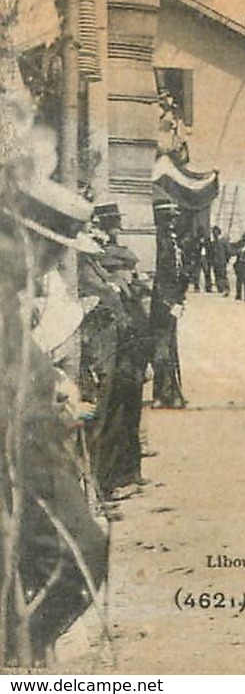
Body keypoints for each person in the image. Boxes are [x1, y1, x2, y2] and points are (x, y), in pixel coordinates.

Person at [0, 172, 109, 665]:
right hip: (19, 448)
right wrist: (49, 398)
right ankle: (18, 650)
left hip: (29, 436)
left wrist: (53, 384)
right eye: (46, 250)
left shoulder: (11, 287)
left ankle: (25, 649)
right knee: (80, 550)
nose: (47, 265)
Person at [79, 203, 149, 501]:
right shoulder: (95, 261)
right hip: (110, 348)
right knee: (111, 417)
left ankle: (126, 475)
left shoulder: (107, 258)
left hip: (127, 347)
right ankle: (110, 482)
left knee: (125, 412)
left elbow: (128, 263)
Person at [149, 198, 188, 408]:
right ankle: (163, 393)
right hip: (161, 302)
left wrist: (180, 299)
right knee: (162, 349)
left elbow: (179, 274)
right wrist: (169, 303)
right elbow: (159, 276)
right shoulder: (160, 242)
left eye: (172, 220)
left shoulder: (172, 242)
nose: (171, 224)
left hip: (172, 300)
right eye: (168, 220)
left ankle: (170, 392)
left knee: (169, 348)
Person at [206, 225, 229, 293]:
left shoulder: (223, 241)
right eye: (213, 233)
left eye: (215, 233)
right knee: (217, 275)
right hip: (215, 261)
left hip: (222, 261)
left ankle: (226, 288)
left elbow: (228, 251)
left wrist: (226, 259)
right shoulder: (213, 243)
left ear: (218, 233)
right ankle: (220, 288)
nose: (214, 234)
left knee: (223, 275)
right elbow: (211, 252)